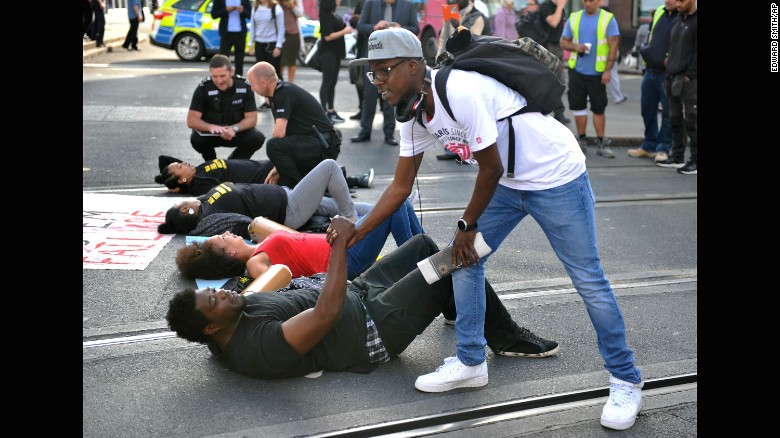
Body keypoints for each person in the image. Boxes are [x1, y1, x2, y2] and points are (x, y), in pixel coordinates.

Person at [345, 27, 643, 429]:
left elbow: (490, 167)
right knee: (461, 260)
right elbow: (399, 188)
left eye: (384, 71)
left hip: (555, 176)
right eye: (373, 74)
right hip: (507, 184)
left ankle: (625, 379)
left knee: (588, 279)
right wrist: (356, 232)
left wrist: (467, 224)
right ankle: (470, 361)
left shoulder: (460, 91)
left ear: (413, 67)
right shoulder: (413, 117)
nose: (377, 81)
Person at [166, 228, 560, 381]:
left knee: (422, 246)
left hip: (361, 293)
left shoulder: (224, 328)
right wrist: (337, 248)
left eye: (215, 290)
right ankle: (505, 336)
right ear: (211, 328)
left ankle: (457, 306)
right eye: (214, 300)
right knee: (450, 260)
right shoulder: (256, 347)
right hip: (375, 327)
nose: (223, 293)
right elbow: (326, 313)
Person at [176, 196, 422, 281]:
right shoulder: (254, 262)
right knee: (395, 202)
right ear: (228, 253)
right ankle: (418, 264)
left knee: (401, 202)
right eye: (223, 238)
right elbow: (277, 286)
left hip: (344, 243)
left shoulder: (260, 245)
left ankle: (426, 258)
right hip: (346, 258)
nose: (228, 233)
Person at [157, 159, 361, 239]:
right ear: (185, 210)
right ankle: (351, 221)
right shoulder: (212, 219)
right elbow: (249, 230)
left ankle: (390, 208)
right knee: (329, 167)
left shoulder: (205, 201)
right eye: (182, 204)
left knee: (341, 204)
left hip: (286, 196)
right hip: (290, 209)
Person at [245, 61, 343, 189]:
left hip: (324, 145)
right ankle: (343, 181)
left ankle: (296, 190)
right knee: (278, 167)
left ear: (264, 82)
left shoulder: (283, 93)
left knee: (273, 146)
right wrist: (277, 167)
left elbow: (279, 134)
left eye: (252, 84)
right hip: (317, 143)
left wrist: (278, 166)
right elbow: (288, 135)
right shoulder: (279, 93)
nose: (252, 89)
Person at [351, 0, 419, 146]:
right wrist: (375, 27)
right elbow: (360, 26)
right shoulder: (370, 3)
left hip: (396, 60)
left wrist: (400, 29)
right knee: (368, 96)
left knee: (391, 96)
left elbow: (416, 28)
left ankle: (389, 133)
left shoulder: (407, 5)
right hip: (373, 58)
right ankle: (365, 130)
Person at [560, 0, 620, 158]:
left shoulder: (608, 18)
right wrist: (576, 47)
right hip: (577, 71)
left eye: (591, 0)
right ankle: (582, 140)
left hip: (598, 73)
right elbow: (563, 42)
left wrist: (607, 70)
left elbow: (614, 45)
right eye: (584, 0)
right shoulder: (574, 18)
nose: (587, 3)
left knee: (599, 108)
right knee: (578, 107)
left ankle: (601, 143)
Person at [435, 0, 491, 161]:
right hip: (449, 67)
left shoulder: (476, 17)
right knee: (450, 108)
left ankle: (471, 150)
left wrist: (457, 24)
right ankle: (453, 148)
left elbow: (471, 42)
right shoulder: (450, 13)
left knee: (467, 109)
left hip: (469, 68)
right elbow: (443, 38)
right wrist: (438, 58)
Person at [187, 55, 266, 162]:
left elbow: (252, 119)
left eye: (223, 76)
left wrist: (234, 128)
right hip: (212, 134)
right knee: (196, 138)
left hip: (235, 132)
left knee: (257, 138)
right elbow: (191, 120)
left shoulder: (244, 87)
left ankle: (232, 164)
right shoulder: (203, 88)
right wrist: (210, 127)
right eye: (214, 76)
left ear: (231, 72)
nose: (219, 81)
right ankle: (211, 163)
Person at [626, 0, 676, 164]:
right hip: (650, 70)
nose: (667, 1)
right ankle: (649, 145)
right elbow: (651, 35)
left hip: (667, 74)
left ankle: (663, 147)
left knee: (668, 113)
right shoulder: (661, 11)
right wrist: (646, 49)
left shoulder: (683, 16)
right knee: (647, 109)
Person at [655, 0, 696, 175]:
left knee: (692, 121)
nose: (678, 4)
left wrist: (689, 75)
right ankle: (678, 156)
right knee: (674, 119)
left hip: (689, 80)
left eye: (682, 0)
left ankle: (695, 160)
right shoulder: (678, 20)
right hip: (672, 76)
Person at [154, 156, 275, 196]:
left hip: (265, 164)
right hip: (268, 176)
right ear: (181, 180)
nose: (183, 163)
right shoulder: (199, 184)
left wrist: (169, 182)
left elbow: (163, 158)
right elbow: (229, 192)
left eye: (180, 163)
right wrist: (180, 188)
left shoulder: (196, 170)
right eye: (180, 167)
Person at [318, 0, 353, 124]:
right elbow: (327, 36)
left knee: (332, 83)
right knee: (327, 82)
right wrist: (345, 31)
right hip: (328, 53)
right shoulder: (325, 15)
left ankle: (331, 110)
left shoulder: (334, 14)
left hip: (336, 53)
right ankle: (323, 112)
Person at [538, 0, 572, 125]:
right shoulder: (546, 7)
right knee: (548, 80)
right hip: (547, 48)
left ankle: (558, 112)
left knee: (559, 81)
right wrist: (560, 6)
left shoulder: (559, 8)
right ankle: (544, 111)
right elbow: (553, 22)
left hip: (557, 47)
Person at [212, 0, 252, 76]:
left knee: (239, 60)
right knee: (223, 59)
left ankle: (239, 79)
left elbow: (250, 15)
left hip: (240, 34)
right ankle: (223, 77)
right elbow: (214, 15)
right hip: (226, 34)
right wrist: (226, 10)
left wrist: (242, 11)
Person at [248, 0, 285, 80]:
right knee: (261, 73)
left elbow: (281, 29)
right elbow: (253, 27)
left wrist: (278, 47)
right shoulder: (255, 8)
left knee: (274, 72)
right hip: (259, 43)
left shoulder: (276, 8)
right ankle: (264, 92)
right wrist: (250, 44)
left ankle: (278, 91)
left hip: (272, 43)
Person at [348, 0, 366, 120]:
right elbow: (354, 23)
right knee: (359, 80)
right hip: (361, 46)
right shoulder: (361, 3)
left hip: (370, 46)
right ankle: (362, 109)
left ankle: (365, 109)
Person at [279, 0, 304, 83]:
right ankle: (279, 83)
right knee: (280, 62)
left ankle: (290, 84)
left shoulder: (296, 1)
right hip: (279, 35)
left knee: (292, 61)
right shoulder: (276, 2)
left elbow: (300, 14)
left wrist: (292, 5)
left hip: (293, 34)